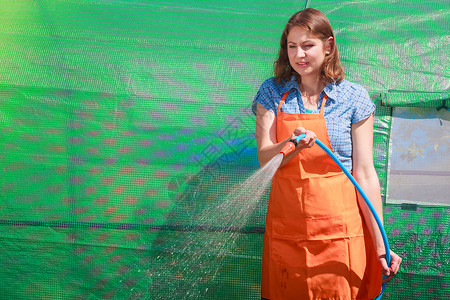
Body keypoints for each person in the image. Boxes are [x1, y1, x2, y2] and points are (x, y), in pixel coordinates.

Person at [252, 8, 402, 300]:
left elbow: (365, 174)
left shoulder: (353, 97)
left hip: (340, 230)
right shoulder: (272, 92)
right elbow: (264, 158)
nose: (299, 55)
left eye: (308, 45)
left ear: (329, 46)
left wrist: (380, 242)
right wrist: (291, 145)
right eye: (292, 46)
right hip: (288, 230)